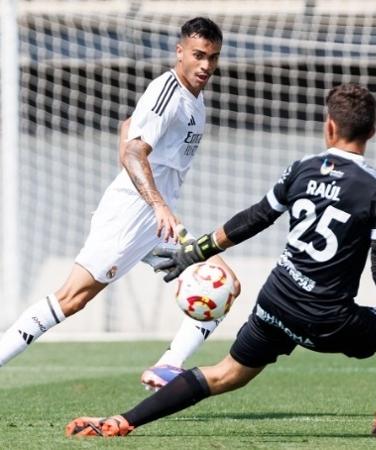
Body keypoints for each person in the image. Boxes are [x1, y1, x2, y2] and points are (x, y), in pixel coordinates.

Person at [66, 83, 376, 438]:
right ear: (372, 131)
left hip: (276, 304)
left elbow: (254, 218)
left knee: (225, 374)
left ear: (329, 126)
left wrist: (196, 252)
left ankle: (122, 420)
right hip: (327, 319)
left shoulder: (303, 169)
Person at [0, 17, 240, 390]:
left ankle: (168, 366)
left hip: (156, 217)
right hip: (132, 214)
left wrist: (154, 199)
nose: (206, 65)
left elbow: (128, 127)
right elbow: (133, 150)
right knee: (72, 298)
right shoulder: (168, 92)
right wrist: (155, 203)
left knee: (227, 285)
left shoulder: (195, 97)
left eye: (213, 57)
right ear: (180, 52)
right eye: (198, 55)